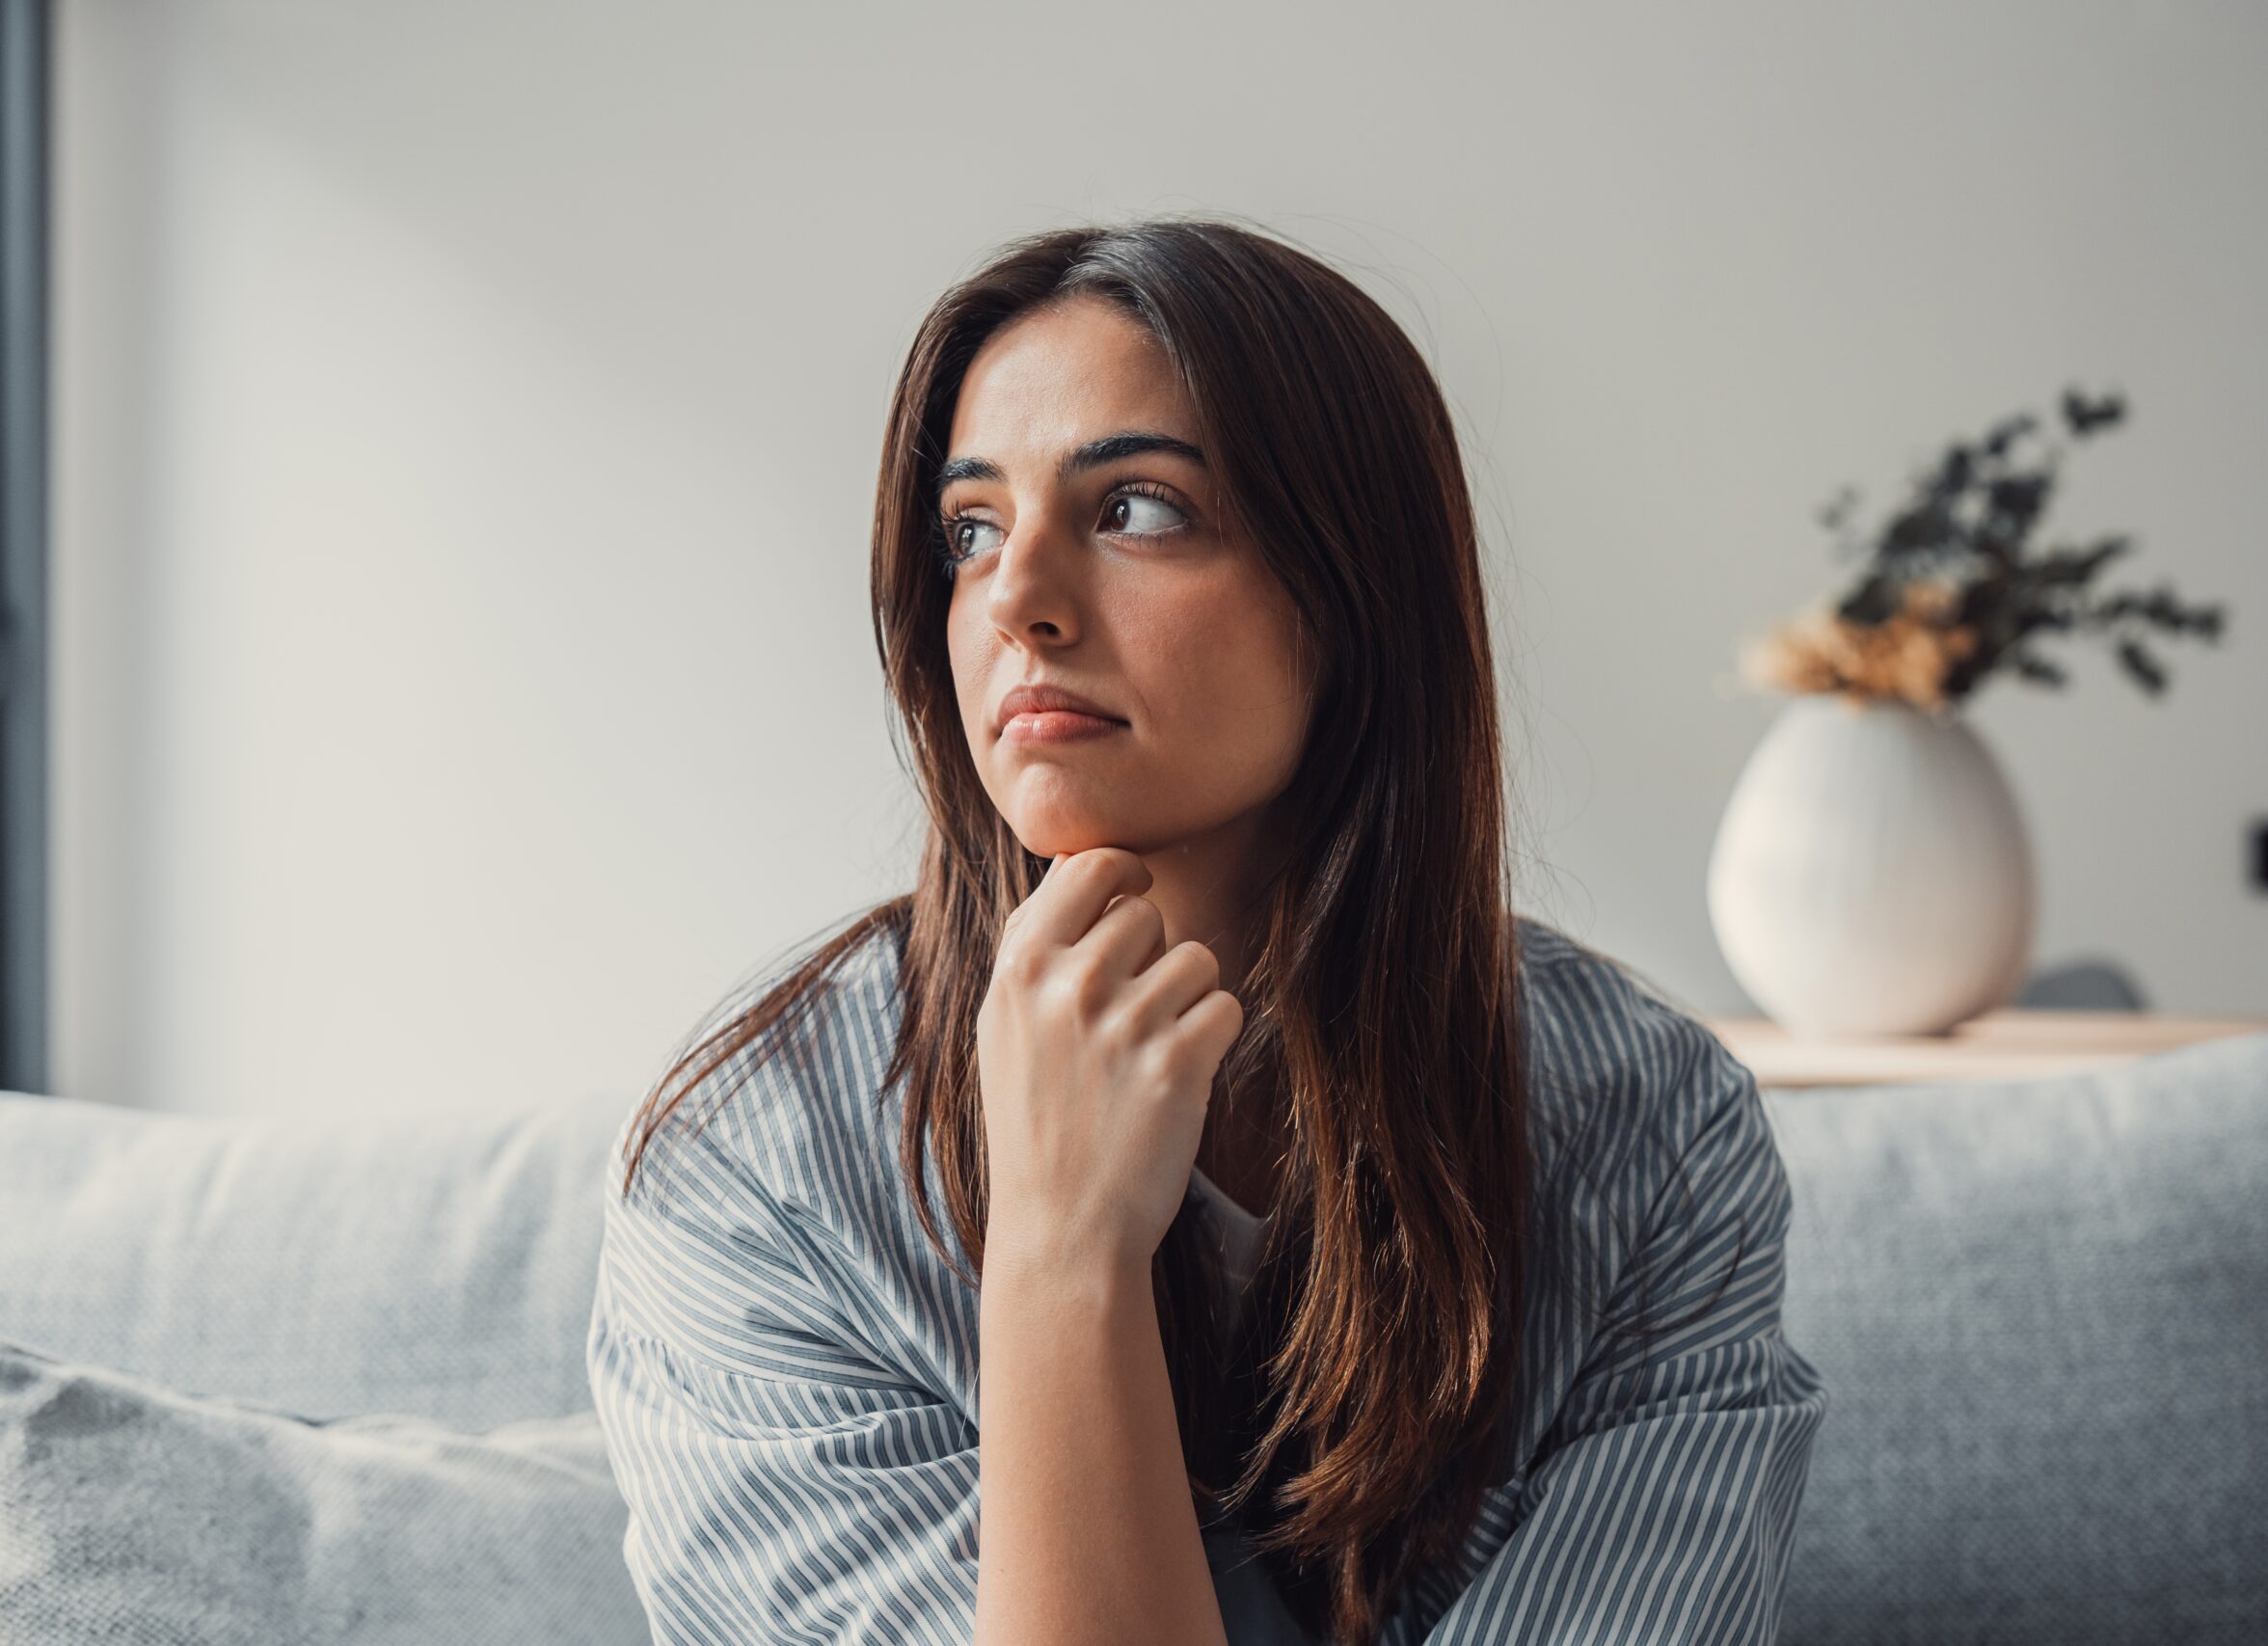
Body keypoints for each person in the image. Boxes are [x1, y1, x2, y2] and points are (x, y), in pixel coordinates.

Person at [585, 215, 1830, 1646]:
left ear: (1356, 593)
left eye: (1138, 511)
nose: (1019, 602)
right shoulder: (757, 1166)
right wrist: (1063, 1255)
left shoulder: (1648, 1134)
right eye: (969, 530)